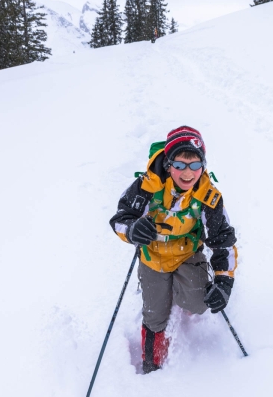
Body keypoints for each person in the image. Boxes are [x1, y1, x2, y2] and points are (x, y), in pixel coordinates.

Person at [109, 126, 238, 374]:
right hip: (152, 257)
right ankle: (153, 361)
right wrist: (132, 229)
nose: (187, 173)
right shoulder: (146, 187)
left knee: (200, 302)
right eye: (179, 165)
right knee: (154, 315)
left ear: (203, 166)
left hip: (187, 254)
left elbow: (223, 241)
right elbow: (119, 219)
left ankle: (185, 294)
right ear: (168, 165)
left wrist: (223, 283)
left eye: (194, 165)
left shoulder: (208, 196)